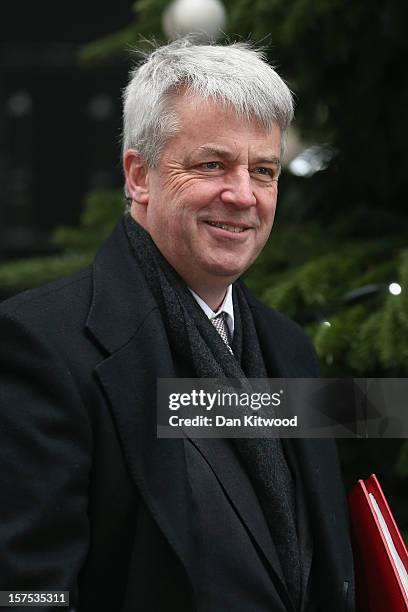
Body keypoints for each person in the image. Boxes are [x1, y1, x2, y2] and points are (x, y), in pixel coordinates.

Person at [0, 39, 355, 612]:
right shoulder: (41, 346)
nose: (243, 195)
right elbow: (25, 594)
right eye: (212, 164)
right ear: (138, 176)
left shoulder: (290, 348)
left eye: (263, 171)